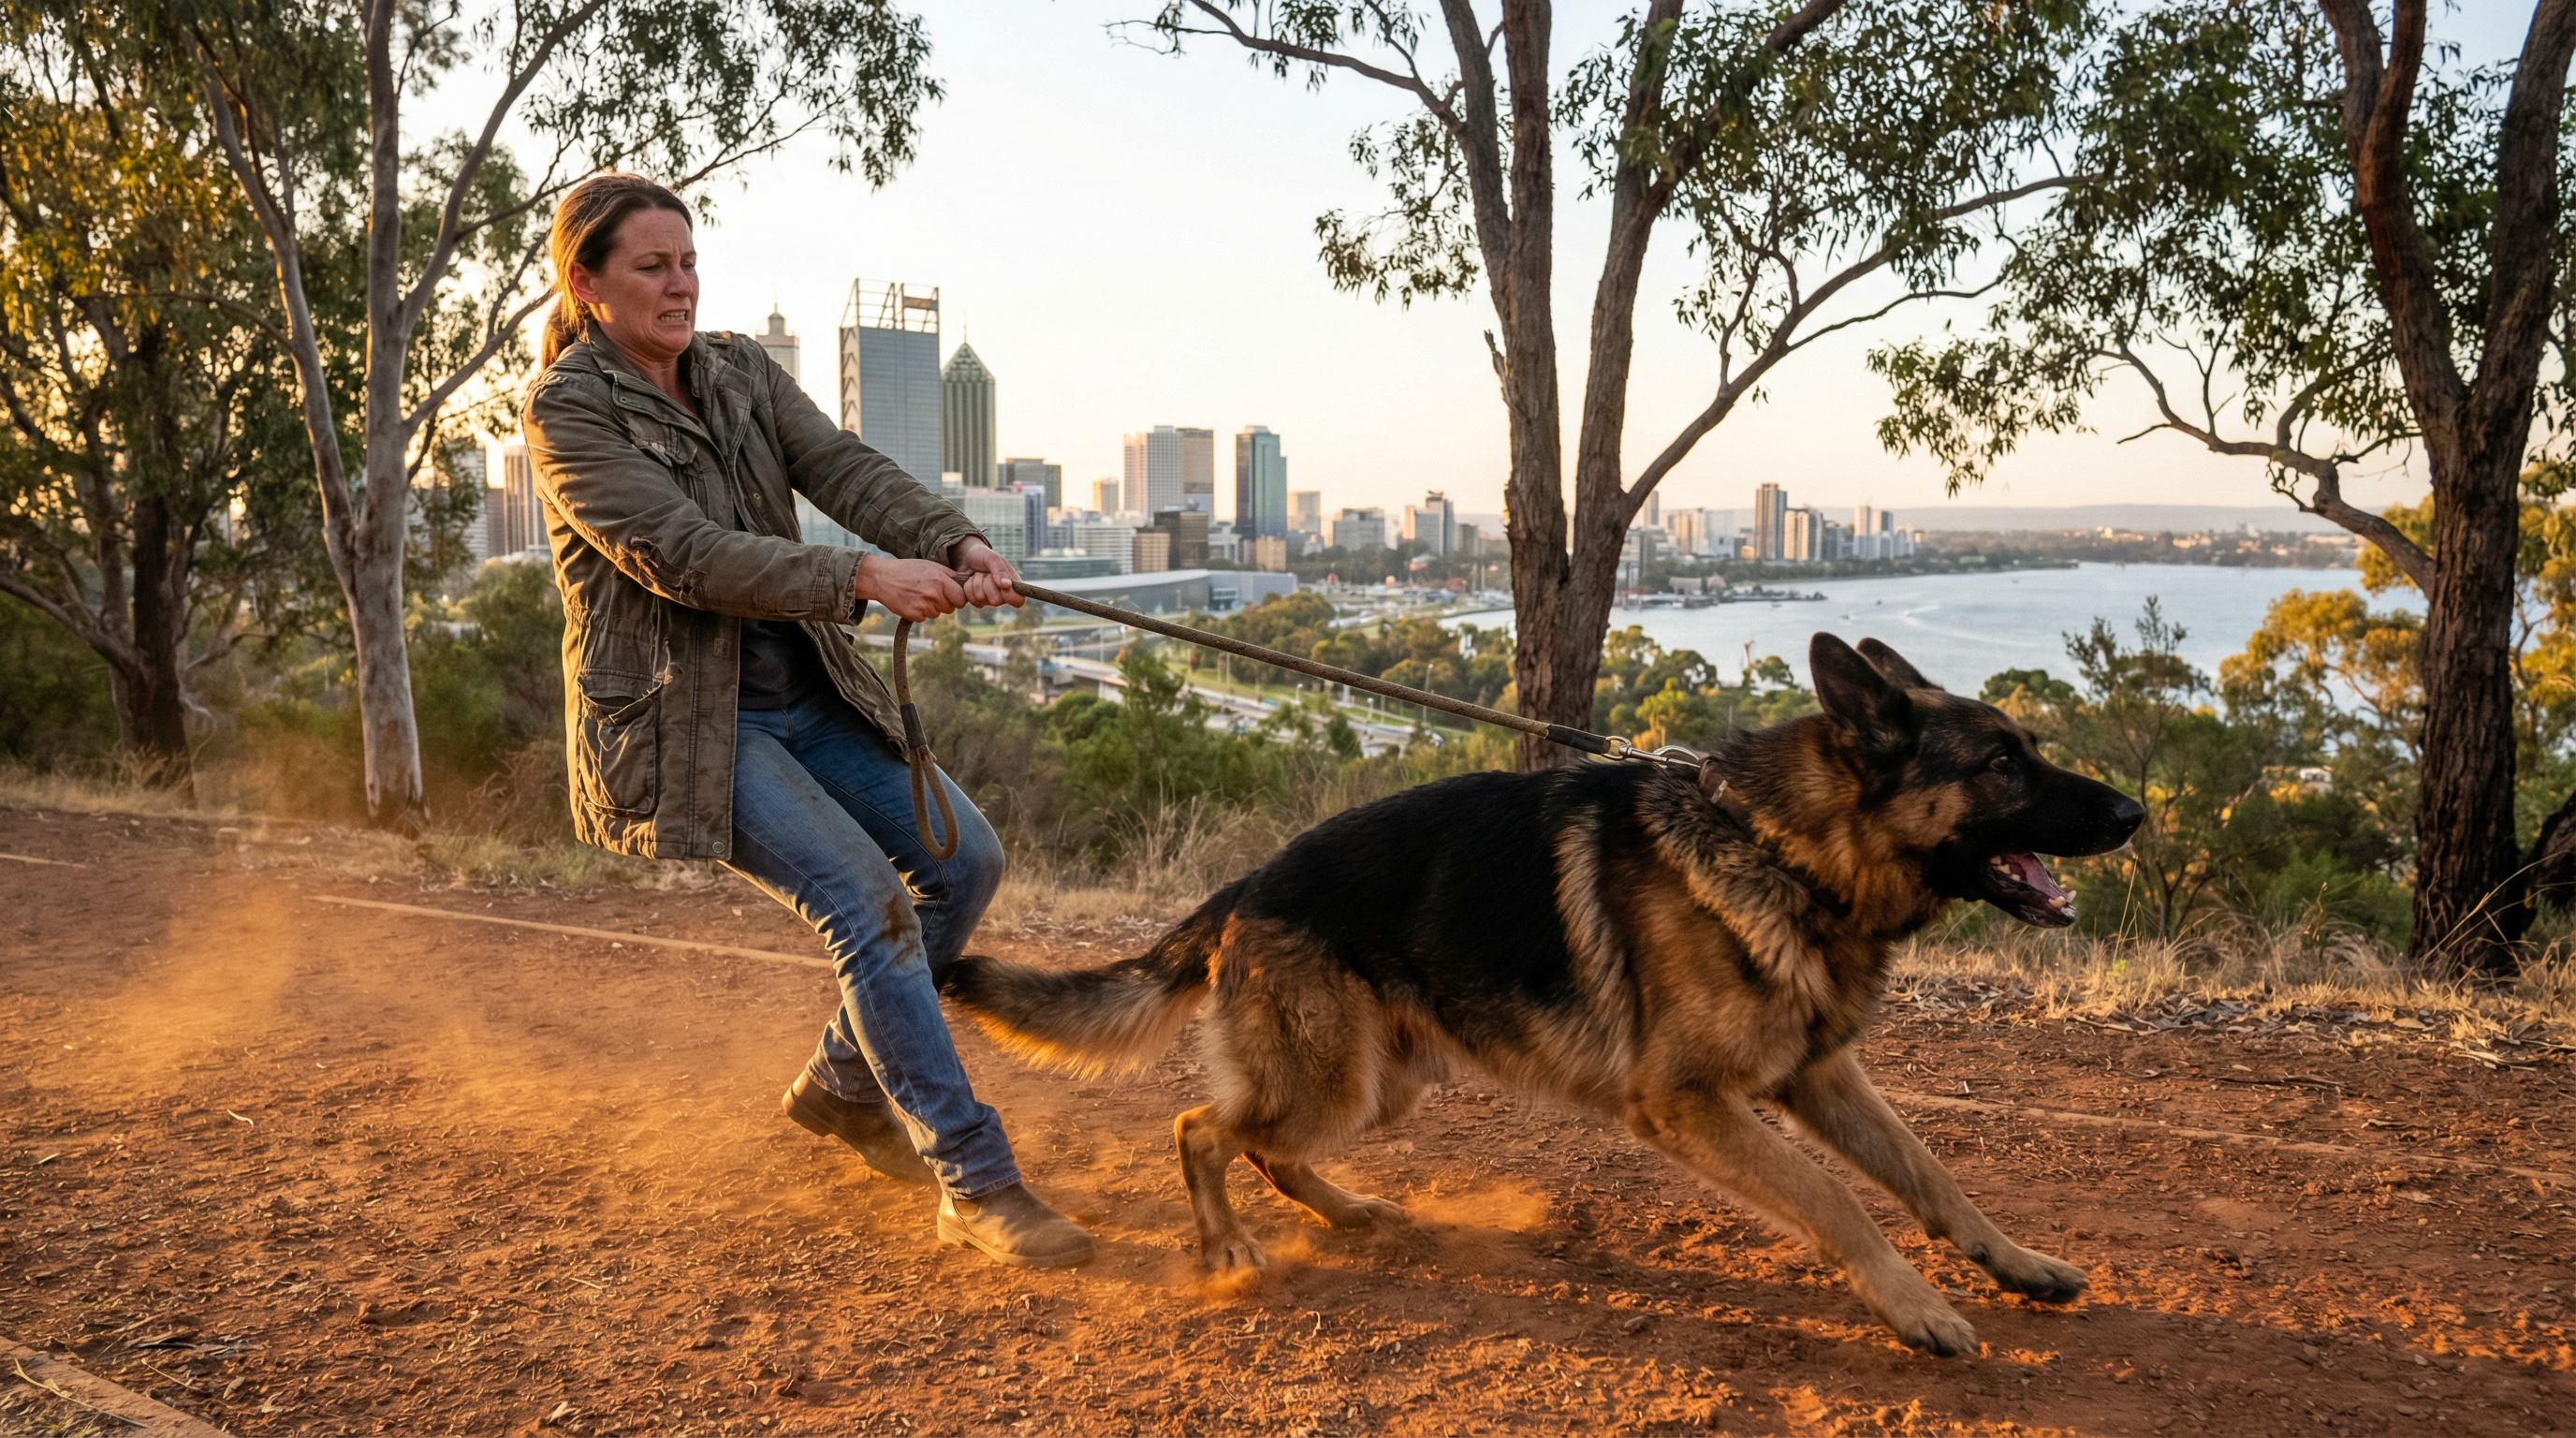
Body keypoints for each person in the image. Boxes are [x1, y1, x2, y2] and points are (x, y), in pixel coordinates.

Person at [521, 172, 1090, 1268]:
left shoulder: (736, 369)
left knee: (964, 862)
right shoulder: (567, 412)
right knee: (867, 904)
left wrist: (954, 540)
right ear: (588, 285)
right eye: (651, 266)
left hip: (810, 697)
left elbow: (839, 466)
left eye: (687, 261)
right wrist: (866, 576)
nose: (680, 283)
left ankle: (842, 1080)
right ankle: (973, 1181)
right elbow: (679, 556)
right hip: (697, 733)